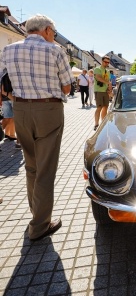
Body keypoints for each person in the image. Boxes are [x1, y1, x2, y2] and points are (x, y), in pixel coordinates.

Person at [0, 14, 72, 241]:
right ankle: (40, 225)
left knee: (31, 166)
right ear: (48, 30)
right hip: (48, 111)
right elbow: (68, 87)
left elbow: (2, 84)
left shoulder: (9, 50)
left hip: (21, 110)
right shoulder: (55, 51)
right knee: (46, 169)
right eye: (54, 32)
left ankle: (36, 214)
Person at [94, 56, 112, 130]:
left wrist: (109, 89)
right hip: (99, 91)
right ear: (102, 61)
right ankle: (96, 124)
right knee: (99, 107)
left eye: (108, 62)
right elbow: (98, 78)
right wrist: (108, 83)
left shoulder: (107, 71)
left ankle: (103, 123)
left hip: (105, 91)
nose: (106, 63)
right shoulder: (97, 69)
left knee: (105, 107)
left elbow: (108, 82)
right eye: (105, 62)